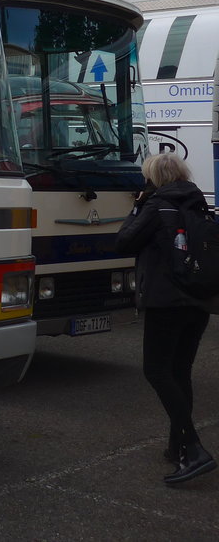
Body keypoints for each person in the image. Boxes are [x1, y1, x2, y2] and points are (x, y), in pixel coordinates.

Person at [116, 152, 215, 485]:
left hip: (166, 302)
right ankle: (178, 446)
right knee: (179, 370)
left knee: (156, 370)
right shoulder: (199, 205)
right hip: (199, 301)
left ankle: (193, 447)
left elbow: (123, 241)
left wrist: (137, 206)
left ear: (153, 178)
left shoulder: (156, 207)